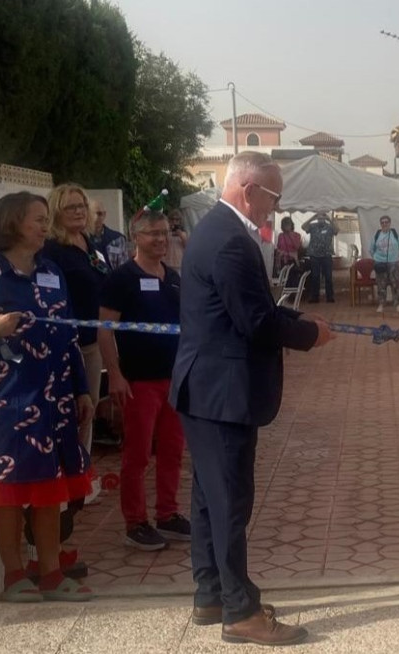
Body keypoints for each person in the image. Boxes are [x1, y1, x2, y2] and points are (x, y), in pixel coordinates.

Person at [170, 151, 334, 646]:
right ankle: (240, 611)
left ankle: (211, 594)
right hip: (222, 393)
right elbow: (256, 322)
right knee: (229, 503)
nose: (276, 206)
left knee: (208, 499)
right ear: (249, 189)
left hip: (207, 388)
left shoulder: (218, 231)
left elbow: (247, 311)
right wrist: (310, 335)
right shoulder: (229, 242)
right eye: (274, 196)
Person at [0, 192, 94, 602]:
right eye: (37, 218)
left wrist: (82, 389)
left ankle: (51, 574)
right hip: (8, 403)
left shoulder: (51, 270)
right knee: (10, 493)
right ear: (13, 222)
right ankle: (14, 576)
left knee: (50, 491)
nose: (44, 224)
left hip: (55, 401)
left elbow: (68, 333)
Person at [98, 209, 190, 552]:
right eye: (153, 233)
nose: (161, 240)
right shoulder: (121, 278)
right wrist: (116, 376)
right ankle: (135, 521)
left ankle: (168, 514)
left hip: (174, 380)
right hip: (138, 381)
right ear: (136, 236)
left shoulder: (174, 277)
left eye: (165, 233)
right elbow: (105, 330)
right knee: (136, 456)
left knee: (172, 451)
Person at [43, 183, 108, 459]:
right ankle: (68, 473)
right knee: (70, 410)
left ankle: (83, 471)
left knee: (89, 408)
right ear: (56, 212)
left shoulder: (90, 243)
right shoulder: (51, 250)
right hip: (68, 345)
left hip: (93, 343)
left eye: (81, 205)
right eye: (71, 207)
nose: (79, 211)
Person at [370, 215, 399, 313]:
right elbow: (371, 249)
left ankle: (397, 304)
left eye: (386, 222)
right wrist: (376, 258)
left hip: (393, 262)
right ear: (380, 224)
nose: (384, 224)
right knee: (381, 285)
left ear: (390, 223)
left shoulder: (395, 233)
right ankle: (381, 304)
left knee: (395, 284)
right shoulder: (377, 235)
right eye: (382, 222)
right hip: (380, 263)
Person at [302, 211, 338, 303]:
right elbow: (303, 227)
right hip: (314, 255)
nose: (320, 220)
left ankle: (330, 296)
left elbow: (337, 230)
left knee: (328, 276)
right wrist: (312, 218)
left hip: (326, 254)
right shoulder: (313, 226)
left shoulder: (329, 227)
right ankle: (314, 297)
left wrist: (329, 219)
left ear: (325, 218)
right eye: (319, 218)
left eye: (322, 218)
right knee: (315, 276)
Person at [90, 199, 130, 269]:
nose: (96, 218)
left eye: (99, 214)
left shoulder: (117, 239)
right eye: (92, 214)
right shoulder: (81, 239)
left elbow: (123, 267)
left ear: (104, 215)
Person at [164, 209, 189, 274]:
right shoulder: (165, 233)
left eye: (177, 220)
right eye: (172, 219)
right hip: (167, 262)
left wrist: (181, 235)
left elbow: (187, 247)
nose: (174, 222)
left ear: (180, 221)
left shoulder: (183, 233)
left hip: (179, 263)